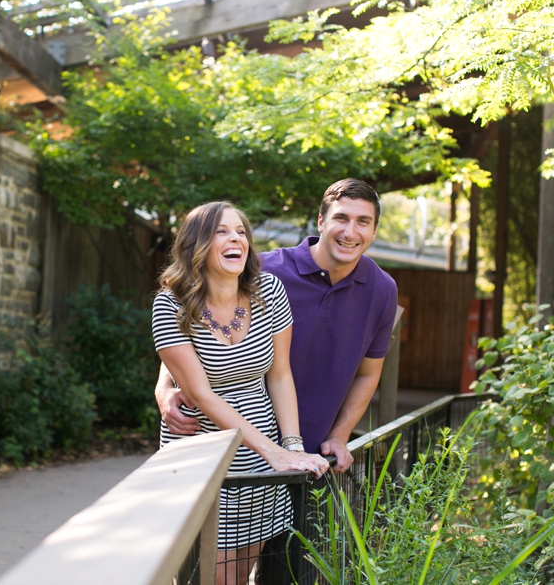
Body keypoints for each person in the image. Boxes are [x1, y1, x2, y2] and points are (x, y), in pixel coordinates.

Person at [157, 178, 398, 471]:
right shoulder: (259, 272)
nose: (350, 232)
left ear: (374, 231)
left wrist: (339, 434)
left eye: (363, 221)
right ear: (321, 221)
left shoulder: (382, 290)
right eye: (341, 218)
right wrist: (165, 387)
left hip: (315, 449)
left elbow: (368, 375)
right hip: (242, 444)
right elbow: (190, 327)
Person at [152, 201, 329, 585]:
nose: (236, 239)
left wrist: (291, 447)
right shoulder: (170, 306)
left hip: (259, 455)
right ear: (196, 244)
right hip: (204, 455)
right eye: (221, 231)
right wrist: (274, 453)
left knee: (240, 572)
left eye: (241, 231)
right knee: (207, 575)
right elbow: (200, 394)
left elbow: (280, 375)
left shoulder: (269, 290)